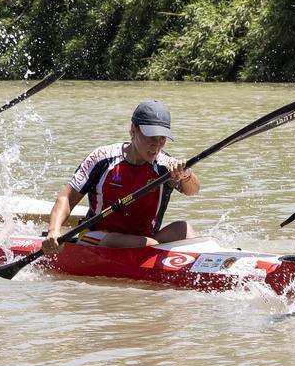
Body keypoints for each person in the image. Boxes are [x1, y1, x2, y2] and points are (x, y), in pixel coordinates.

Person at [41, 100, 199, 253]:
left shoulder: (165, 165)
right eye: (151, 138)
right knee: (148, 244)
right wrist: (54, 231)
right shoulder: (102, 158)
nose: (156, 146)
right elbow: (67, 197)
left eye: (162, 139)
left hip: (144, 239)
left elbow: (193, 190)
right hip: (98, 236)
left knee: (183, 229)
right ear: (133, 130)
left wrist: (185, 175)